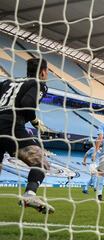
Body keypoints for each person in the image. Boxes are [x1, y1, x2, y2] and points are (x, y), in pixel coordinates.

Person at [0, 58, 54, 214]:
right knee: (41, 163)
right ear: (43, 71)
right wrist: (35, 121)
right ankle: (29, 194)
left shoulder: (8, 82)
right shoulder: (39, 84)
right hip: (11, 125)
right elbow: (26, 103)